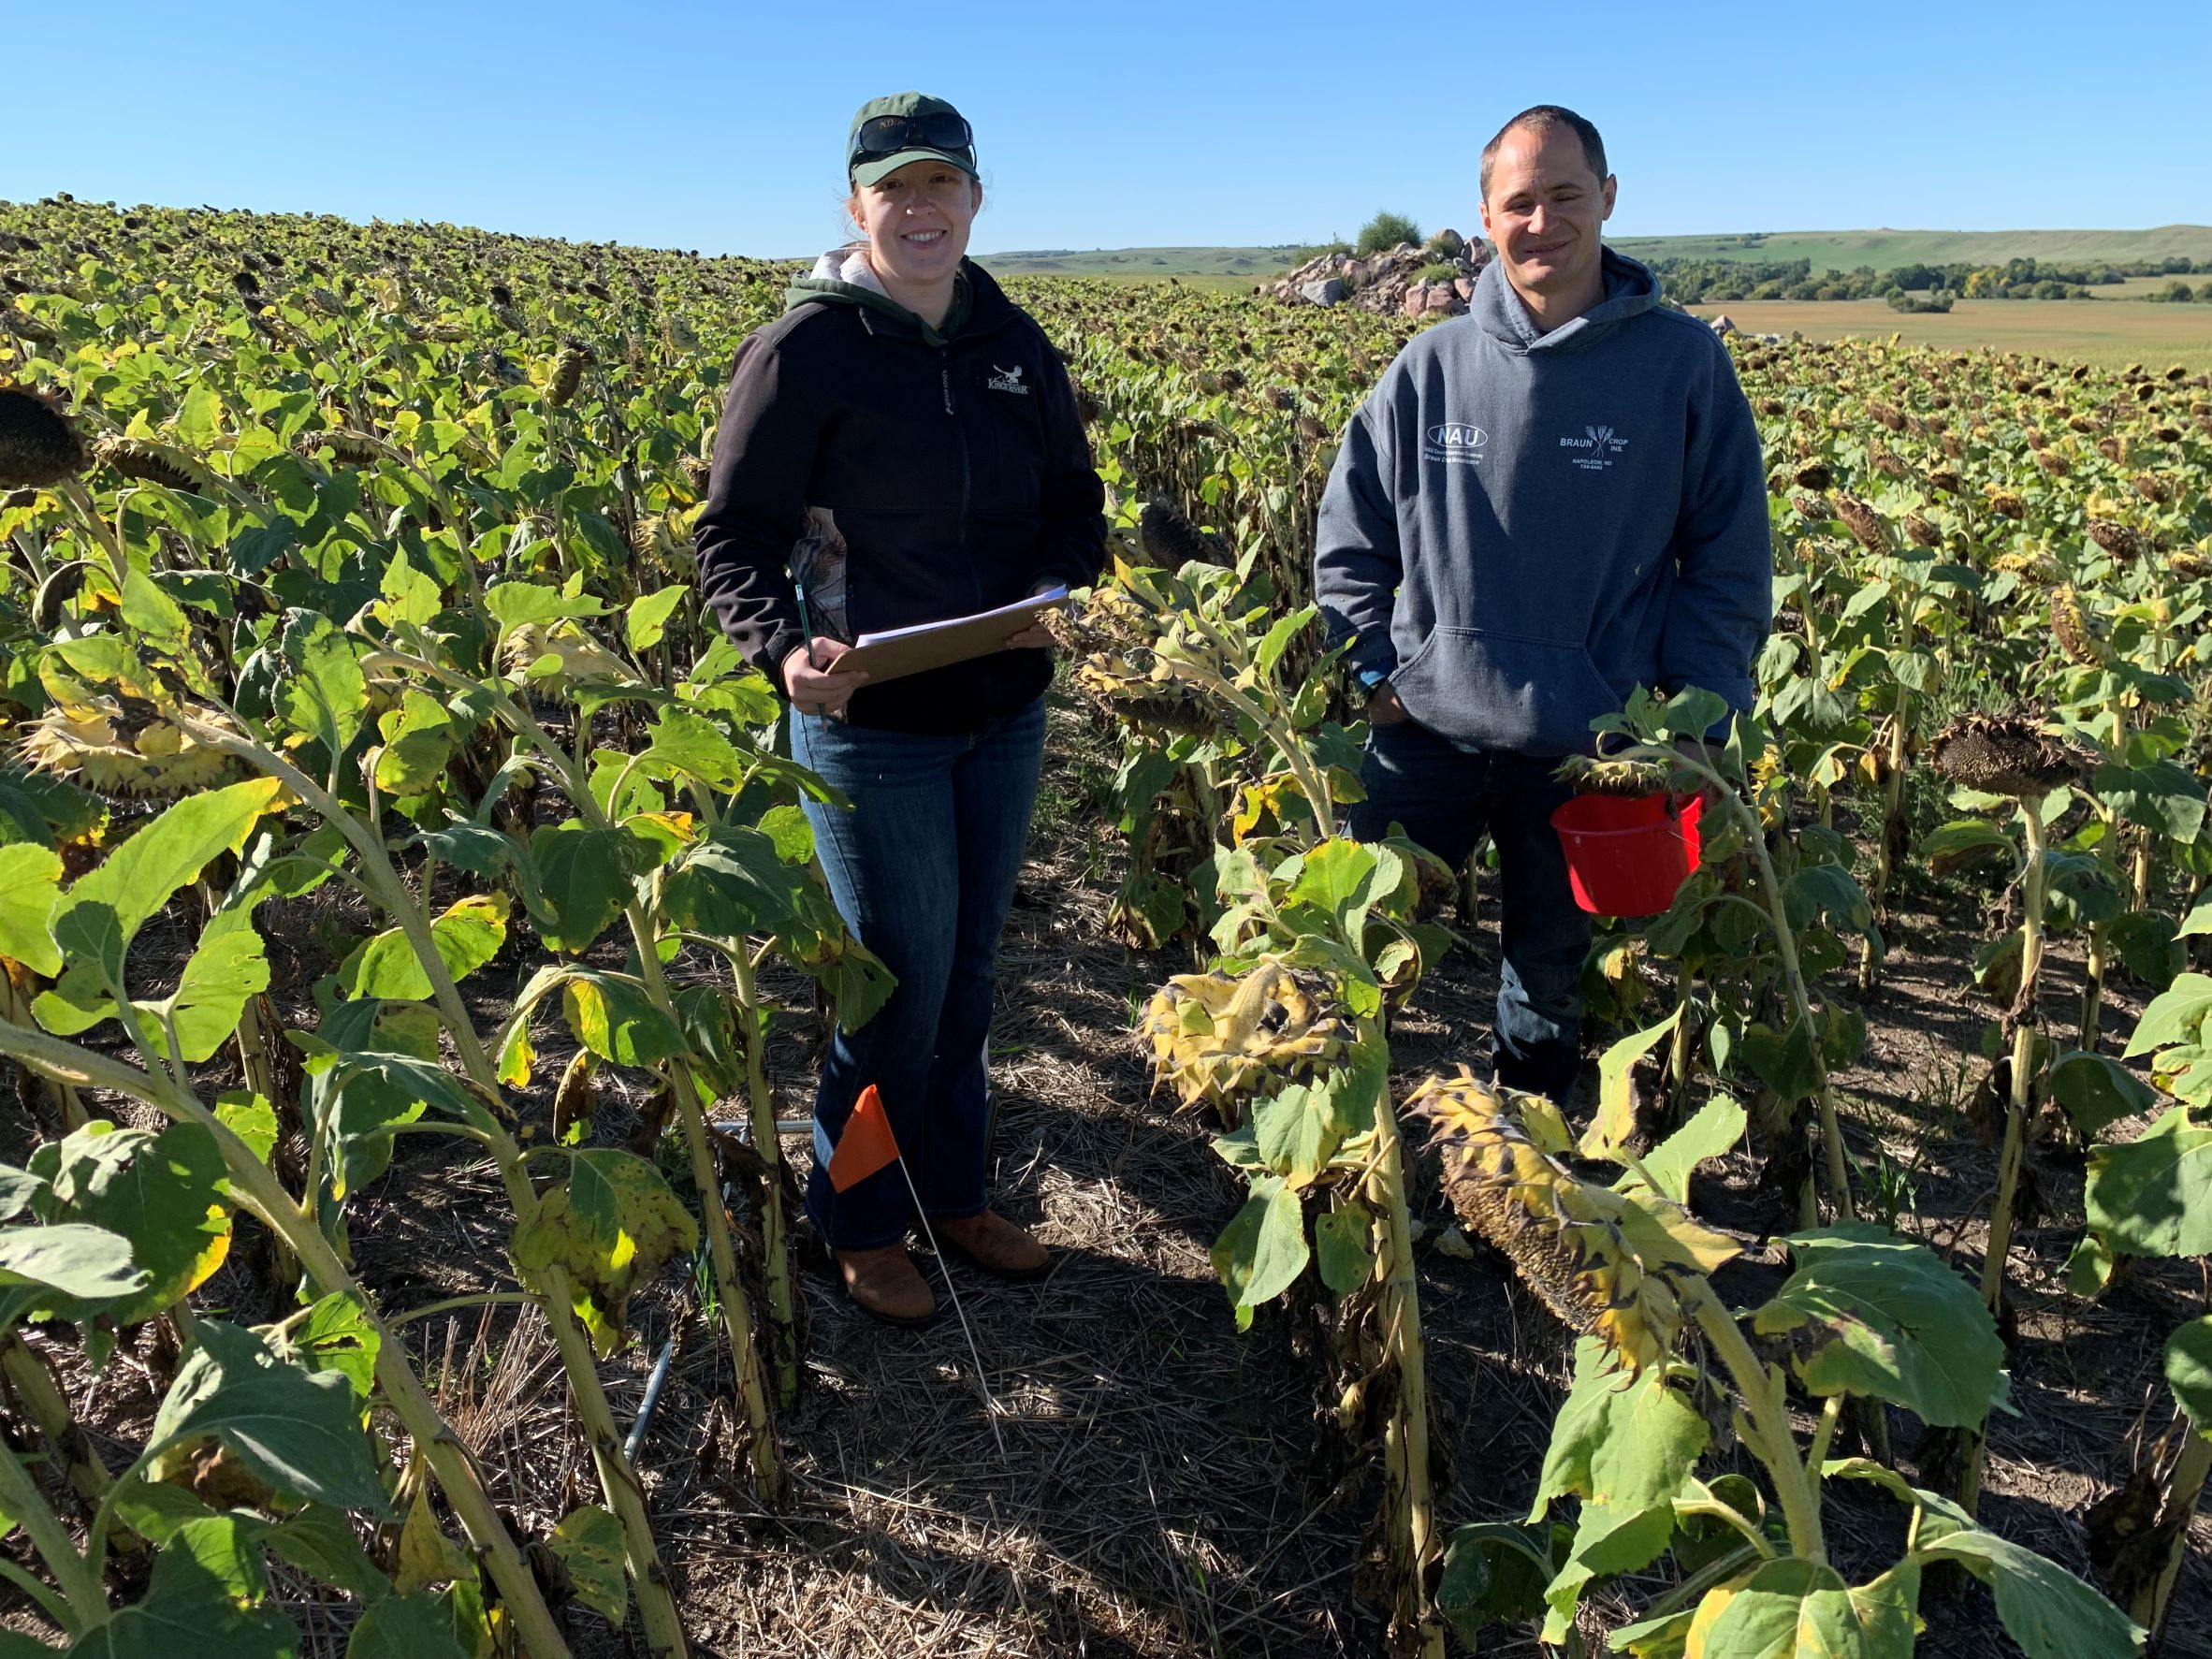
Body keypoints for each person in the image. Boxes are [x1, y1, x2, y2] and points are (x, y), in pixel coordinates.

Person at [693, 93, 1107, 1326]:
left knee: (971, 975)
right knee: (895, 982)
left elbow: (1073, 503)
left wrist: (1068, 589)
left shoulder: (1015, 342)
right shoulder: (802, 351)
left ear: (975, 197)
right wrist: (780, 652)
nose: (920, 210)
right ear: (855, 204)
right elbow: (731, 537)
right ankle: (859, 1216)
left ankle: (954, 1190)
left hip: (1003, 704)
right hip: (871, 724)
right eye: (895, 189)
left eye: (942, 186)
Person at [1314, 104, 1770, 1102]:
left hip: (1589, 746)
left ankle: (1533, 1197)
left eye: (1565, 195)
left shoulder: (1683, 366)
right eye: (1519, 202)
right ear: (1486, 218)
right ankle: (1351, 1171)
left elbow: (1728, 560)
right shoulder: (1428, 366)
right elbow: (1351, 531)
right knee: (1356, 963)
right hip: (1426, 727)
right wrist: (1370, 668)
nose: (1542, 221)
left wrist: (1698, 713)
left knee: (1546, 990)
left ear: (1606, 199)